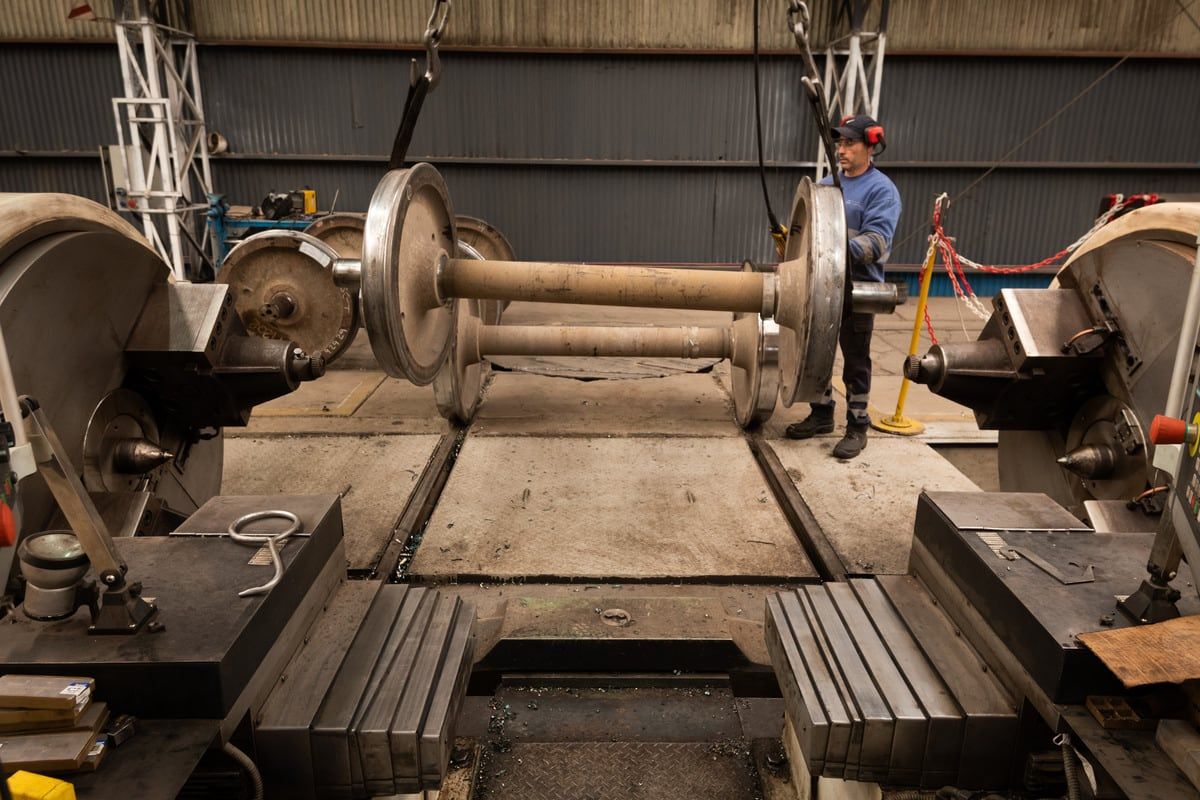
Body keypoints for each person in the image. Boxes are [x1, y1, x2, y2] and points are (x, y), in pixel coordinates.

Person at [785, 114, 901, 459]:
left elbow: (877, 243)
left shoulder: (882, 190)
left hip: (858, 291)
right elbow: (810, 232)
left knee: (855, 361)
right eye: (839, 143)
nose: (842, 149)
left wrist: (831, 248)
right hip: (822, 289)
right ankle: (821, 415)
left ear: (872, 145)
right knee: (816, 354)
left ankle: (857, 425)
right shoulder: (826, 185)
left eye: (850, 143)